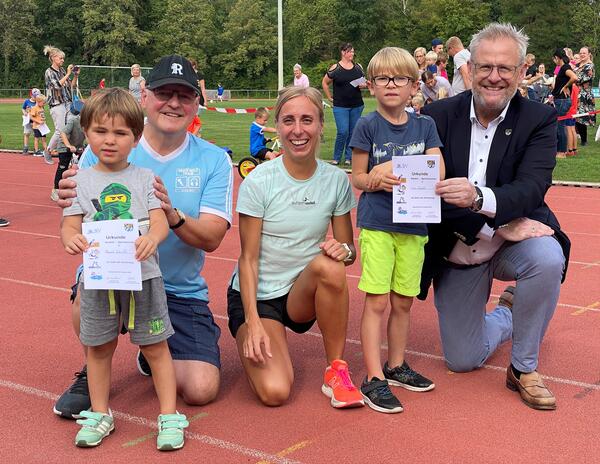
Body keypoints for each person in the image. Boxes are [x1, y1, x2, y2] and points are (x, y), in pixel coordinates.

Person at [54, 54, 233, 419]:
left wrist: (173, 215)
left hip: (178, 289)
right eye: (164, 93)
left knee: (201, 389)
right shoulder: (103, 148)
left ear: (196, 102)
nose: (174, 103)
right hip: (112, 274)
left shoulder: (214, 160)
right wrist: (68, 206)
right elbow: (76, 209)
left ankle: (150, 351)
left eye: (184, 96)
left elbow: (213, 238)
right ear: (145, 97)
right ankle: (93, 367)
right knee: (83, 296)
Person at [420, 23, 571, 411]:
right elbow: (425, 195)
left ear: (521, 72)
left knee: (547, 256)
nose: (494, 77)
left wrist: (477, 198)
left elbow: (532, 188)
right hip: (459, 245)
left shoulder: (538, 118)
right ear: (470, 69)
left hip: (510, 246)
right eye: (485, 67)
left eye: (505, 68)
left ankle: (523, 368)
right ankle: (508, 314)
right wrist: (495, 218)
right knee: (462, 359)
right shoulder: (436, 116)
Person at [61, 88, 188, 450]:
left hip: (143, 277)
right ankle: (100, 412)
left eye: (120, 133)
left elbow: (160, 221)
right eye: (101, 131)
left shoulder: (144, 178)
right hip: (99, 280)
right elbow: (69, 225)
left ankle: (168, 415)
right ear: (86, 133)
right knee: (98, 348)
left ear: (136, 137)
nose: (110, 140)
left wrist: (154, 239)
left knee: (156, 347)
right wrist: (70, 240)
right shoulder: (81, 181)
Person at [227, 85, 364, 409]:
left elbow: (348, 250)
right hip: (259, 298)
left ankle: (336, 371)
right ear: (278, 125)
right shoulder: (259, 181)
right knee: (275, 392)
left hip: (302, 294)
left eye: (307, 120)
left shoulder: (335, 180)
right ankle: (258, 334)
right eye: (289, 121)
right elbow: (247, 259)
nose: (298, 130)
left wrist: (342, 252)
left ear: (320, 125)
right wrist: (253, 322)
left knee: (329, 266)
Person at [350, 47, 444, 414]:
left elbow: (438, 169)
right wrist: (373, 178)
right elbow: (357, 176)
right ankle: (373, 376)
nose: (391, 85)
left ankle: (396, 365)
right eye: (383, 79)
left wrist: (408, 166)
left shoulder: (425, 125)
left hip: (415, 225)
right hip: (378, 225)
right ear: (371, 86)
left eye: (400, 79)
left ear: (414, 85)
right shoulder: (367, 125)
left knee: (403, 300)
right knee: (376, 301)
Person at [322, 43, 366, 165]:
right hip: (340, 106)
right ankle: (336, 157)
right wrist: (329, 97)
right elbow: (325, 83)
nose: (352, 54)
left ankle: (349, 157)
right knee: (343, 131)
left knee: (353, 132)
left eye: (353, 51)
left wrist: (363, 84)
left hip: (356, 105)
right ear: (343, 52)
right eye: (350, 51)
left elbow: (363, 82)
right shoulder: (335, 68)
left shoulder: (358, 67)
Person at [43, 45, 78, 165]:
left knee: (69, 129)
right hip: (57, 104)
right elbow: (57, 85)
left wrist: (75, 75)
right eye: (60, 58)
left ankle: (68, 154)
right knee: (60, 130)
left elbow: (71, 86)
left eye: (63, 59)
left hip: (67, 103)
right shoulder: (49, 72)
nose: (62, 61)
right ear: (53, 58)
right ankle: (48, 151)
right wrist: (68, 74)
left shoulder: (62, 71)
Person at [51, 100, 85, 201]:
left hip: (77, 145)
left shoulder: (87, 122)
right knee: (63, 167)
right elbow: (63, 133)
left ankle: (78, 188)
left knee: (82, 166)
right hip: (64, 146)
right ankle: (55, 190)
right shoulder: (73, 120)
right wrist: (69, 146)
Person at [550, 48, 577, 158]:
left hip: (562, 100)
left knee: (560, 126)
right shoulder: (563, 67)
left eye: (554, 59)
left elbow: (574, 77)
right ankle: (559, 150)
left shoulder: (565, 67)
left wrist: (566, 86)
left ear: (557, 58)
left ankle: (561, 152)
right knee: (559, 126)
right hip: (560, 100)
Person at [575, 46, 595, 147]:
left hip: (584, 94)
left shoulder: (589, 66)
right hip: (576, 93)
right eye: (580, 53)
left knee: (581, 116)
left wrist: (572, 79)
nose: (582, 54)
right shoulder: (578, 65)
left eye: (584, 53)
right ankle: (580, 137)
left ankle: (584, 140)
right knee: (577, 116)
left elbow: (581, 79)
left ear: (589, 54)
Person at [22, 88, 40, 154]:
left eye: (37, 96)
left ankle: (36, 149)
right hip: (27, 121)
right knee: (27, 134)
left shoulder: (38, 103)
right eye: (34, 96)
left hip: (35, 121)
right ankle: (25, 148)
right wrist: (24, 112)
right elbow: (23, 108)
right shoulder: (26, 101)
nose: (36, 97)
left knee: (36, 135)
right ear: (31, 95)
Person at [565, 83, 580, 157]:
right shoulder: (576, 87)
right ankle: (575, 149)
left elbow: (568, 99)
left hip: (569, 111)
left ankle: (570, 150)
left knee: (569, 130)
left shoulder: (569, 87)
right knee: (573, 129)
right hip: (574, 110)